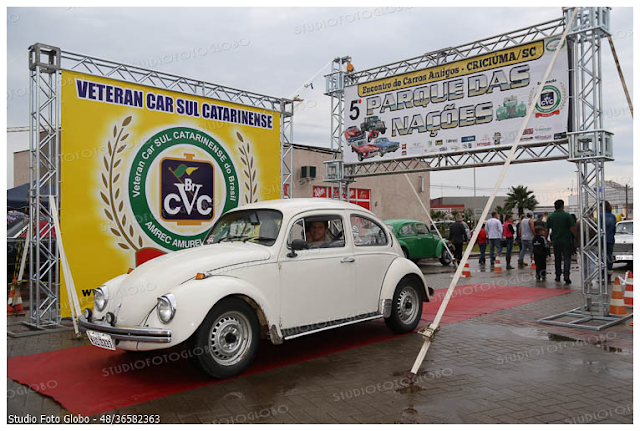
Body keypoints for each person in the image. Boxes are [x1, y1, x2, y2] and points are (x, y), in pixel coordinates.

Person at [546, 199, 577, 284]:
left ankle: (558, 275)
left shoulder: (551, 217)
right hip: (566, 241)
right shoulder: (567, 216)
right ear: (562, 206)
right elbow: (572, 228)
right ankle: (566, 275)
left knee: (557, 258)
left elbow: (547, 229)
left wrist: (546, 239)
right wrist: (576, 236)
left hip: (556, 241)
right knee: (567, 258)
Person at [604, 201, 617, 275]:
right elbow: (614, 229)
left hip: (602, 239)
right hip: (611, 238)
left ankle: (603, 271)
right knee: (610, 255)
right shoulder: (613, 216)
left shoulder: (601, 215)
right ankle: (609, 270)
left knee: (602, 255)